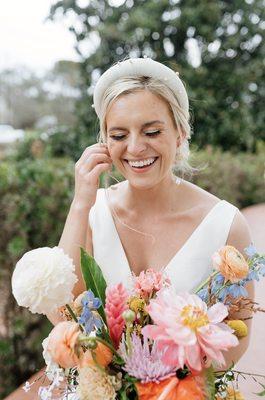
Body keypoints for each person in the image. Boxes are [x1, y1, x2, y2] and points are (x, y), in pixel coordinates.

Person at [48, 57, 254, 368]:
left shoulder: (225, 225)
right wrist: (80, 203)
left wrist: (170, 386)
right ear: (104, 142)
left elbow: (238, 336)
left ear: (180, 132)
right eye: (118, 136)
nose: (135, 148)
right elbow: (61, 313)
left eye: (152, 132)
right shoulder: (93, 213)